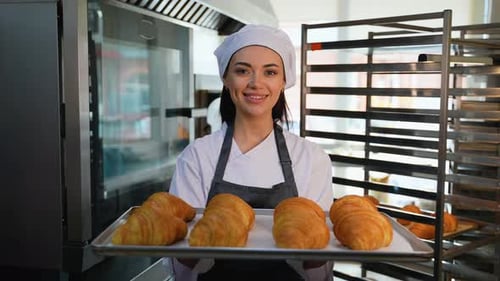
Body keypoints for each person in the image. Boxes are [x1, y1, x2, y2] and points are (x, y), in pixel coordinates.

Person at [168, 24, 334, 281]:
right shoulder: (197, 157)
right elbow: (182, 268)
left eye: (270, 72)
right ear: (226, 77)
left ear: (283, 82)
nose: (256, 83)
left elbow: (319, 269)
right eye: (243, 70)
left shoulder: (311, 159)